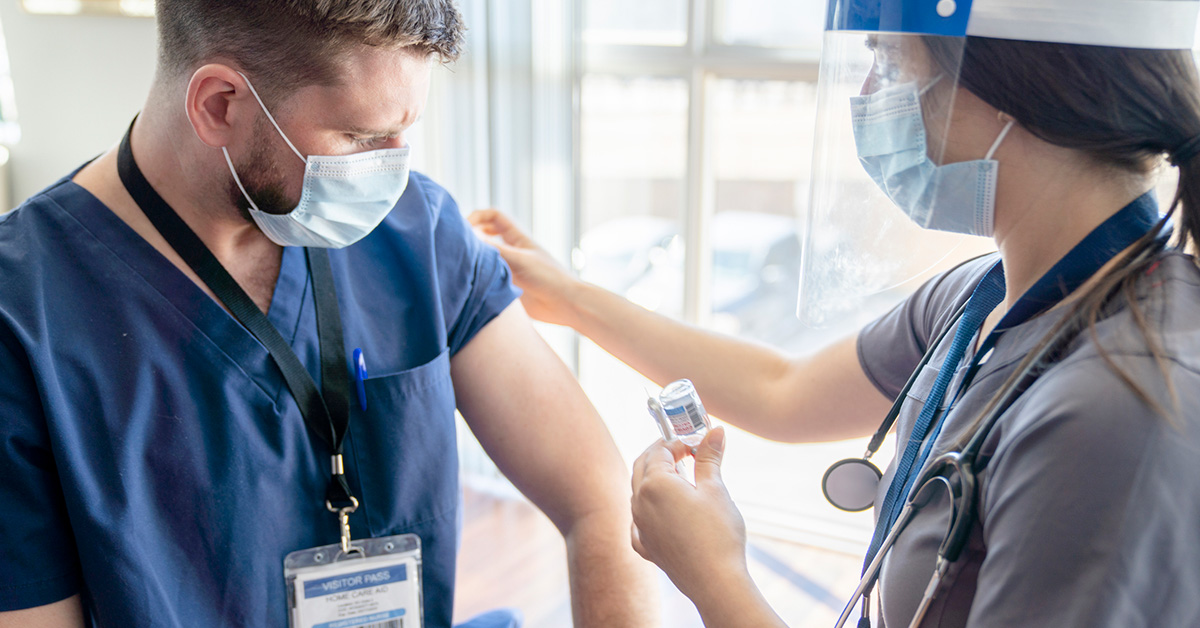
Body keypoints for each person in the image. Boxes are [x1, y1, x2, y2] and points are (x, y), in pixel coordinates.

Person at [470, 0, 1200, 625]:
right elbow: (780, 389)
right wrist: (569, 298)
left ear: (1004, 81)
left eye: (888, 57)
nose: (872, 91)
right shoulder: (984, 298)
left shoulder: (1120, 407)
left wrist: (715, 578)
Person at [0, 1, 658, 627]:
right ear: (219, 105)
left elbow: (598, 501)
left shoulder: (418, 235)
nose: (395, 168)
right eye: (362, 136)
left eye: (406, 130)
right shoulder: (23, 320)